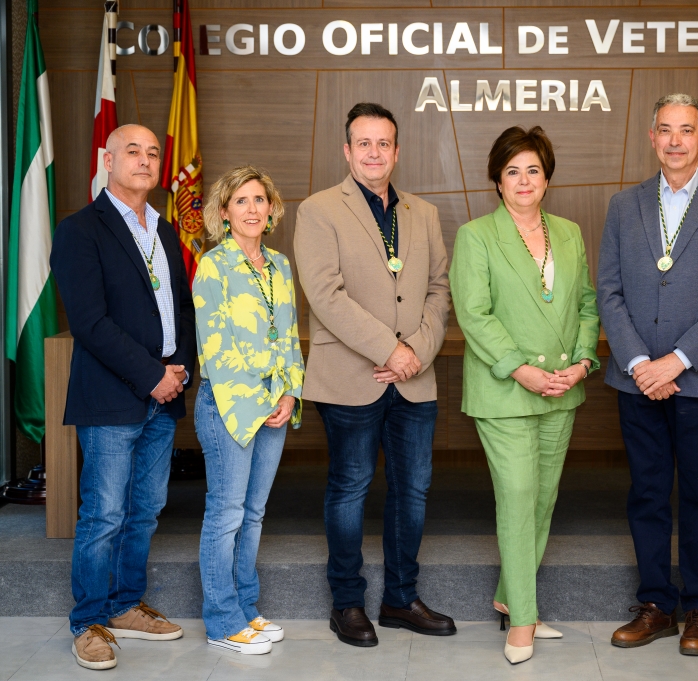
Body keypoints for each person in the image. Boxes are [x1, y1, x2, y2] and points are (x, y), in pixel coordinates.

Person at [597, 93, 698, 656]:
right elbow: (609, 292)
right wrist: (641, 363)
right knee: (645, 493)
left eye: (685, 130)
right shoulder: (624, 204)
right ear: (651, 137)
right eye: (665, 129)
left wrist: (678, 360)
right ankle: (656, 605)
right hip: (635, 379)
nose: (674, 140)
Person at [293, 103, 454, 647]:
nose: (374, 152)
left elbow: (438, 289)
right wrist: (390, 347)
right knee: (350, 488)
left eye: (383, 143)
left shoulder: (423, 213)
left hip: (415, 376)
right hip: (349, 378)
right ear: (347, 150)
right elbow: (325, 295)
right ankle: (346, 604)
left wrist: (415, 352)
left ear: (397, 151)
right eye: (363, 143)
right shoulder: (318, 210)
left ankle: (400, 599)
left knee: (413, 490)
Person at [450, 126, 600, 664]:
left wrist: (583, 362)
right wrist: (521, 370)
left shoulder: (569, 232)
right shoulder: (476, 236)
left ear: (547, 177)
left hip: (563, 388)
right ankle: (523, 622)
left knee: (541, 499)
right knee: (516, 498)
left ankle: (512, 598)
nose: (523, 180)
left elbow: (586, 303)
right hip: (506, 392)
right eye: (512, 170)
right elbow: (474, 314)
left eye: (533, 170)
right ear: (496, 179)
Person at [51, 124, 195, 671]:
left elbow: (181, 308)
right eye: (131, 151)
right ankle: (88, 620)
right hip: (113, 395)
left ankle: (125, 606)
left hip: (164, 395)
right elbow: (88, 322)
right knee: (104, 514)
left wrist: (178, 370)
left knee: (144, 511)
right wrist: (151, 373)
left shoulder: (164, 229)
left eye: (153, 153)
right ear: (107, 160)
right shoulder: (80, 230)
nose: (144, 160)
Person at [193, 166, 305, 654]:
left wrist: (289, 394)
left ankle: (246, 609)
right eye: (241, 201)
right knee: (226, 514)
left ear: (272, 208)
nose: (253, 209)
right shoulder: (212, 267)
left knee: (254, 513)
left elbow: (292, 339)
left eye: (260, 199)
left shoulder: (280, 265)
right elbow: (216, 351)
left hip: (274, 407)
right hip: (228, 408)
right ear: (224, 213)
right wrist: (262, 402)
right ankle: (221, 621)